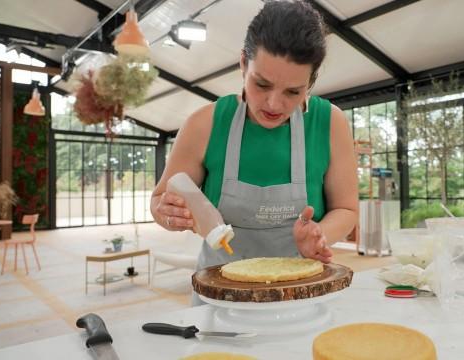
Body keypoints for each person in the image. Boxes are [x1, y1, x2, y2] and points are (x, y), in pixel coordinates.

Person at [150, 0, 358, 303]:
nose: (274, 105)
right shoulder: (204, 124)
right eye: (261, 84)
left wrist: (318, 236)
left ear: (310, 83)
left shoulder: (330, 124)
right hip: (220, 293)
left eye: (293, 92)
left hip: (302, 289)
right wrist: (167, 213)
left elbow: (347, 209)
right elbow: (160, 200)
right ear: (243, 63)